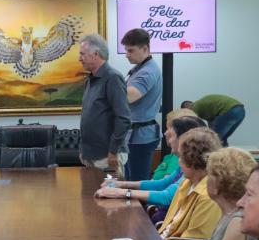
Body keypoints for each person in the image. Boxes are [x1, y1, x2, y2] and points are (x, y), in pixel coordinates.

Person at [94, 115, 205, 214]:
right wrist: (120, 185)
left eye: (171, 133)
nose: (165, 134)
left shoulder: (191, 167)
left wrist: (121, 192)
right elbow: (162, 184)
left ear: (184, 139)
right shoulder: (185, 165)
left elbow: (166, 197)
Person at [156, 128, 223, 240]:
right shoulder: (186, 183)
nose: (179, 161)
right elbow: (169, 227)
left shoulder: (208, 196)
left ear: (192, 159)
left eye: (181, 156)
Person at [78, 33, 132, 177]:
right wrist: (83, 151)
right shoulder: (90, 80)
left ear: (95, 54)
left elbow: (123, 118)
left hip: (107, 157)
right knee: (89, 198)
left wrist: (113, 151)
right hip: (91, 156)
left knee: (110, 198)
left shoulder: (112, 77)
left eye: (82, 54)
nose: (79, 58)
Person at [120, 28, 162, 181]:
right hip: (134, 136)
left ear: (145, 49)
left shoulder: (148, 72)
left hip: (141, 138)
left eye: (130, 50)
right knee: (130, 179)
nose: (127, 55)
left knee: (138, 182)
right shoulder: (140, 69)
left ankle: (141, 207)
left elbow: (129, 96)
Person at [150, 108, 198, 180]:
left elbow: (166, 185)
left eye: (168, 129)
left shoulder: (177, 158)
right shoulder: (174, 155)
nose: (165, 133)